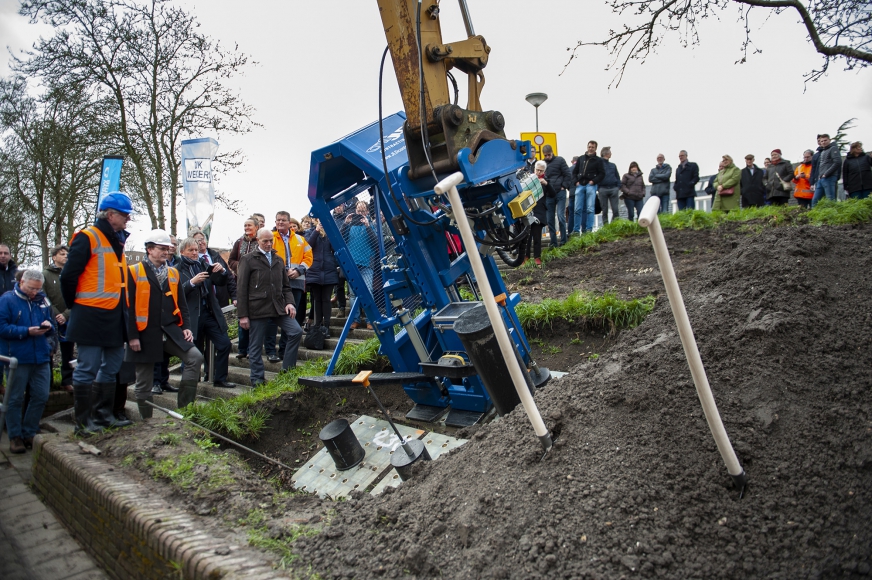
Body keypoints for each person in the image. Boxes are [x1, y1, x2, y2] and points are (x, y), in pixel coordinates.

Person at [61, 191, 134, 435]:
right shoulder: (87, 237)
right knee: (87, 367)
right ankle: (83, 422)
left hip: (114, 315)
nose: (128, 220)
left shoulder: (118, 241)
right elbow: (69, 276)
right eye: (125, 215)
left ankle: (104, 415)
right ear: (110, 215)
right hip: (90, 314)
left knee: (112, 365)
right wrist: (76, 306)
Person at [125, 229, 203, 416]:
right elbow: (127, 308)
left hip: (170, 330)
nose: (166, 252)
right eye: (161, 248)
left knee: (195, 357)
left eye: (168, 248)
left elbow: (182, 304)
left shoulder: (173, 274)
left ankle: (186, 411)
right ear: (149, 249)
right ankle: (147, 422)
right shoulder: (133, 272)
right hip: (144, 333)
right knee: (144, 382)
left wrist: (185, 327)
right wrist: (132, 336)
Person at [237, 228, 303, 387]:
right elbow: (241, 288)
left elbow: (286, 287)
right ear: (257, 241)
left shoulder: (278, 260)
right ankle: (257, 380)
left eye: (270, 241)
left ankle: (287, 372)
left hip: (278, 306)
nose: (268, 244)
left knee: (296, 331)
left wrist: (290, 303)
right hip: (257, 308)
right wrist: (243, 315)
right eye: (264, 241)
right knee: (255, 345)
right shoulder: (248, 259)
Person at [0, 270, 55, 453]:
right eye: (31, 288)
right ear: (22, 282)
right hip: (18, 357)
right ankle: (15, 436)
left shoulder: (42, 299)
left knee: (40, 395)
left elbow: (51, 321)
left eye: (37, 289)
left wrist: (48, 327)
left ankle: (29, 431)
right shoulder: (7, 300)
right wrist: (26, 331)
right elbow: (2, 327)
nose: (34, 292)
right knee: (15, 398)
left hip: (40, 356)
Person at [177, 237, 236, 389]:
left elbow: (220, 282)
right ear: (182, 251)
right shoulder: (176, 269)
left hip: (209, 313)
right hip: (191, 317)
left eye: (196, 250)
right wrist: (191, 283)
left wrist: (222, 271)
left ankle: (220, 378)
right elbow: (175, 293)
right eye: (191, 250)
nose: (195, 253)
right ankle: (189, 386)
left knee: (224, 344)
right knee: (192, 353)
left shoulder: (204, 264)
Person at [266, 212, 312, 361]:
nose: (280, 222)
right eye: (278, 220)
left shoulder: (300, 239)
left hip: (296, 283)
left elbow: (309, 257)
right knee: (273, 316)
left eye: (283, 220)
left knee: (291, 317)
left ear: (289, 222)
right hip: (276, 284)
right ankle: (271, 351)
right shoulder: (270, 238)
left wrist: (299, 270)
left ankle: (285, 350)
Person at [341, 202, 378, 330]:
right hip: (352, 264)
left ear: (367, 212)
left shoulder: (371, 225)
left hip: (367, 263)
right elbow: (340, 239)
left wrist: (368, 226)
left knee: (368, 291)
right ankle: (355, 320)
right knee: (352, 294)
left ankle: (371, 320)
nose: (360, 213)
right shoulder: (350, 225)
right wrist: (345, 223)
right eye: (358, 211)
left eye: (363, 211)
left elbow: (376, 244)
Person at [42, 244, 74, 392]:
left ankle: (67, 380)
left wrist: (66, 314)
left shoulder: (73, 273)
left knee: (68, 351)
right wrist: (56, 314)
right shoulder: (45, 275)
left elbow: (78, 295)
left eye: (67, 254)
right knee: (50, 350)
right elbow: (43, 296)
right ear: (54, 257)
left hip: (69, 318)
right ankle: (47, 383)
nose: (65, 256)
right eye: (62, 254)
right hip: (51, 318)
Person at [228, 217, 259, 359]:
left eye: (249, 225)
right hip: (241, 283)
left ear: (257, 227)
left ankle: (252, 348)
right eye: (245, 225)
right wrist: (240, 268)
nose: (247, 227)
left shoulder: (260, 241)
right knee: (242, 315)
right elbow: (231, 260)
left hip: (256, 284)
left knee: (254, 318)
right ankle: (242, 348)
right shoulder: (239, 242)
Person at [305, 218, 339, 335]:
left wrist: (333, 262)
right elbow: (308, 246)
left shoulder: (330, 232)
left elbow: (336, 249)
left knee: (326, 298)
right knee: (317, 299)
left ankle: (327, 326)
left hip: (328, 270)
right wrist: (316, 231)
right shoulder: (309, 232)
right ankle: (317, 325)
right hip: (314, 270)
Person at [192, 230, 236, 308]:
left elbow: (229, 277)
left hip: (222, 300)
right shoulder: (193, 260)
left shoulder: (216, 256)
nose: (200, 242)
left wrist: (234, 296)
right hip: (206, 303)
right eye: (197, 241)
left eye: (202, 239)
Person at [541, 145, 572, 247]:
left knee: (560, 216)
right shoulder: (543, 164)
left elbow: (568, 174)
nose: (547, 157)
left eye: (549, 155)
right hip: (549, 194)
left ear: (552, 153)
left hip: (560, 192)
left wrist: (564, 186)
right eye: (545, 155)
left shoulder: (560, 160)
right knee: (550, 220)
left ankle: (563, 240)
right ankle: (553, 242)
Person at [572, 141, 604, 234]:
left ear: (595, 148)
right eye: (589, 147)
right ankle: (576, 230)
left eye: (592, 147)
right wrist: (575, 182)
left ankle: (589, 229)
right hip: (580, 184)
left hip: (591, 185)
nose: (590, 148)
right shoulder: (581, 158)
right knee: (577, 209)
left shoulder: (598, 160)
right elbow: (575, 172)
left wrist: (594, 181)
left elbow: (602, 174)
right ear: (587, 147)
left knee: (590, 209)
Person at [524, 161, 550, 265]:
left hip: (539, 212)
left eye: (541, 170)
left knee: (537, 236)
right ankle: (525, 257)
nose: (539, 172)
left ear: (544, 171)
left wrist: (546, 184)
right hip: (528, 211)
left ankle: (537, 257)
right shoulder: (528, 180)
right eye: (537, 170)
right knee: (527, 237)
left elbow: (552, 193)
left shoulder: (546, 181)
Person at [811, 133, 842, 206]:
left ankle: (832, 215)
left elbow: (837, 162)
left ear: (829, 140)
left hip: (829, 177)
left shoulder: (833, 148)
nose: (823, 142)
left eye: (825, 140)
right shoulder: (823, 151)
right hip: (821, 179)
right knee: (815, 200)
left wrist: (826, 174)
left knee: (830, 199)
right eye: (822, 141)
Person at [598, 147, 621, 225]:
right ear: (606, 153)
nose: (611, 154)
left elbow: (617, 176)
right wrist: (598, 188)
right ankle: (606, 227)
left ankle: (613, 225)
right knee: (604, 210)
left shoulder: (613, 165)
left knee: (615, 210)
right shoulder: (599, 165)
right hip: (603, 189)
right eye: (610, 152)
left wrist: (618, 187)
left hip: (613, 188)